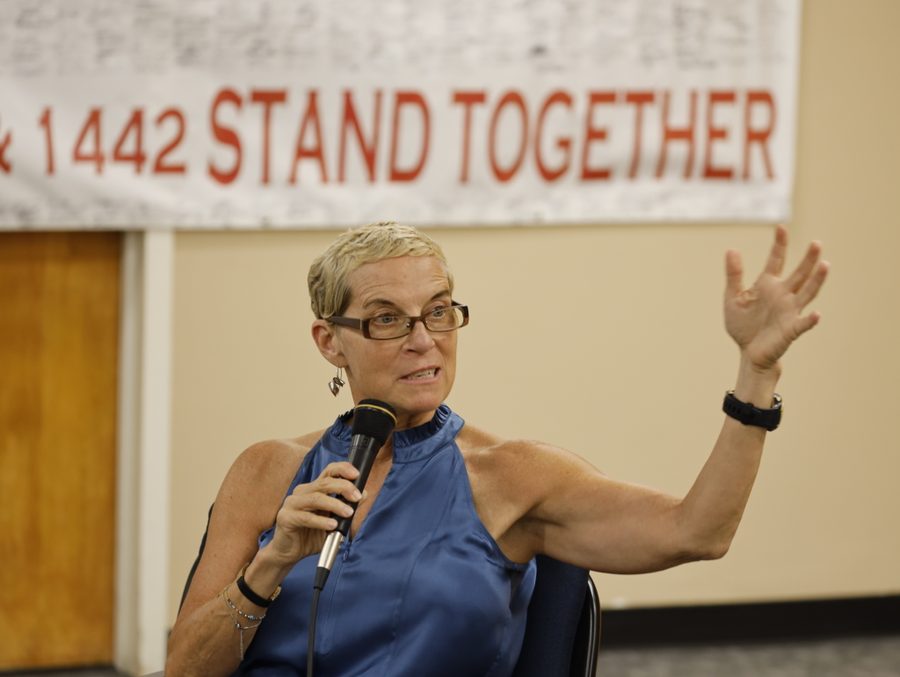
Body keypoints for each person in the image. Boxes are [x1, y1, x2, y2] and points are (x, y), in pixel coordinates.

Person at [166, 221, 829, 676]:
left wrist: (757, 375)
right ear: (329, 340)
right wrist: (273, 561)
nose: (424, 338)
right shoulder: (267, 469)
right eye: (387, 318)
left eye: (439, 310)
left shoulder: (513, 476)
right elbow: (186, 667)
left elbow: (697, 530)